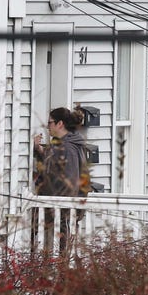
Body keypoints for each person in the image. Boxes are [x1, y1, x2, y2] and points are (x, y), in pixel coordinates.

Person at [32, 107, 88, 252]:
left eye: (50, 123)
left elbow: (69, 178)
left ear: (60, 124)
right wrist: (39, 150)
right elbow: (55, 164)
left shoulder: (68, 147)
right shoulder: (61, 143)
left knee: (64, 249)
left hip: (64, 207)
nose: (47, 126)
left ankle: (64, 273)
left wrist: (57, 204)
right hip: (56, 205)